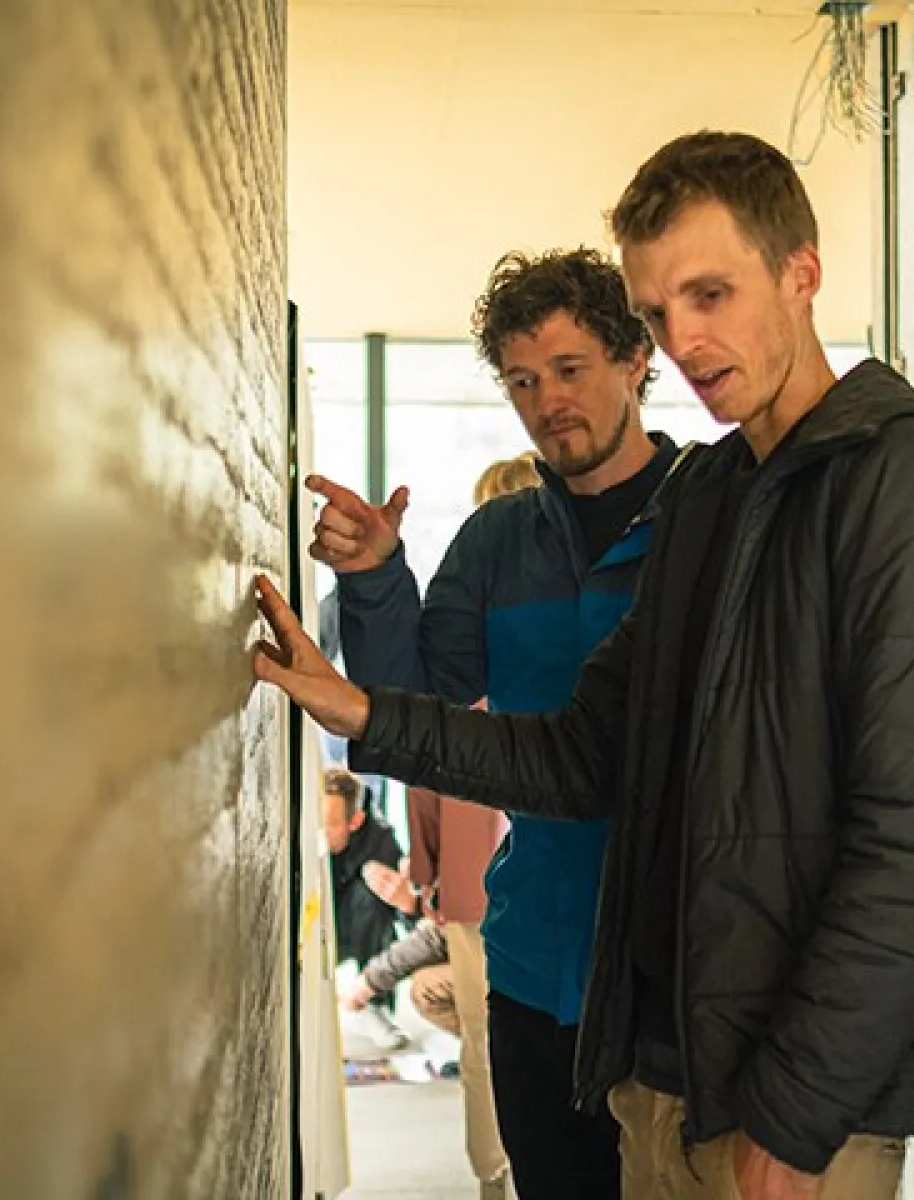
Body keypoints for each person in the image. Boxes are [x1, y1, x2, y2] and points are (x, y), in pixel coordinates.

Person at [258, 131, 914, 1200]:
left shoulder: (905, 481)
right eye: (661, 308)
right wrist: (358, 710)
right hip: (648, 1049)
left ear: (801, 273)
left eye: (711, 294)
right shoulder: (710, 496)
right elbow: (582, 754)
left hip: (779, 1086)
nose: (688, 338)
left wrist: (798, 1113)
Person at [305, 257, 683, 1200]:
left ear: (636, 358)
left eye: (569, 368)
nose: (547, 401)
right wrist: (375, 579)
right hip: (532, 970)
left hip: (678, 977)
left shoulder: (708, 521)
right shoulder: (498, 541)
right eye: (521, 380)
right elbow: (416, 705)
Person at [322, 768, 409, 1053]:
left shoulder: (380, 840)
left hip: (355, 927)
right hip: (316, 923)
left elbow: (408, 920)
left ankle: (373, 1006)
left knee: (371, 895)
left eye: (329, 825)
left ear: (355, 821)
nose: (320, 832)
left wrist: (405, 901)